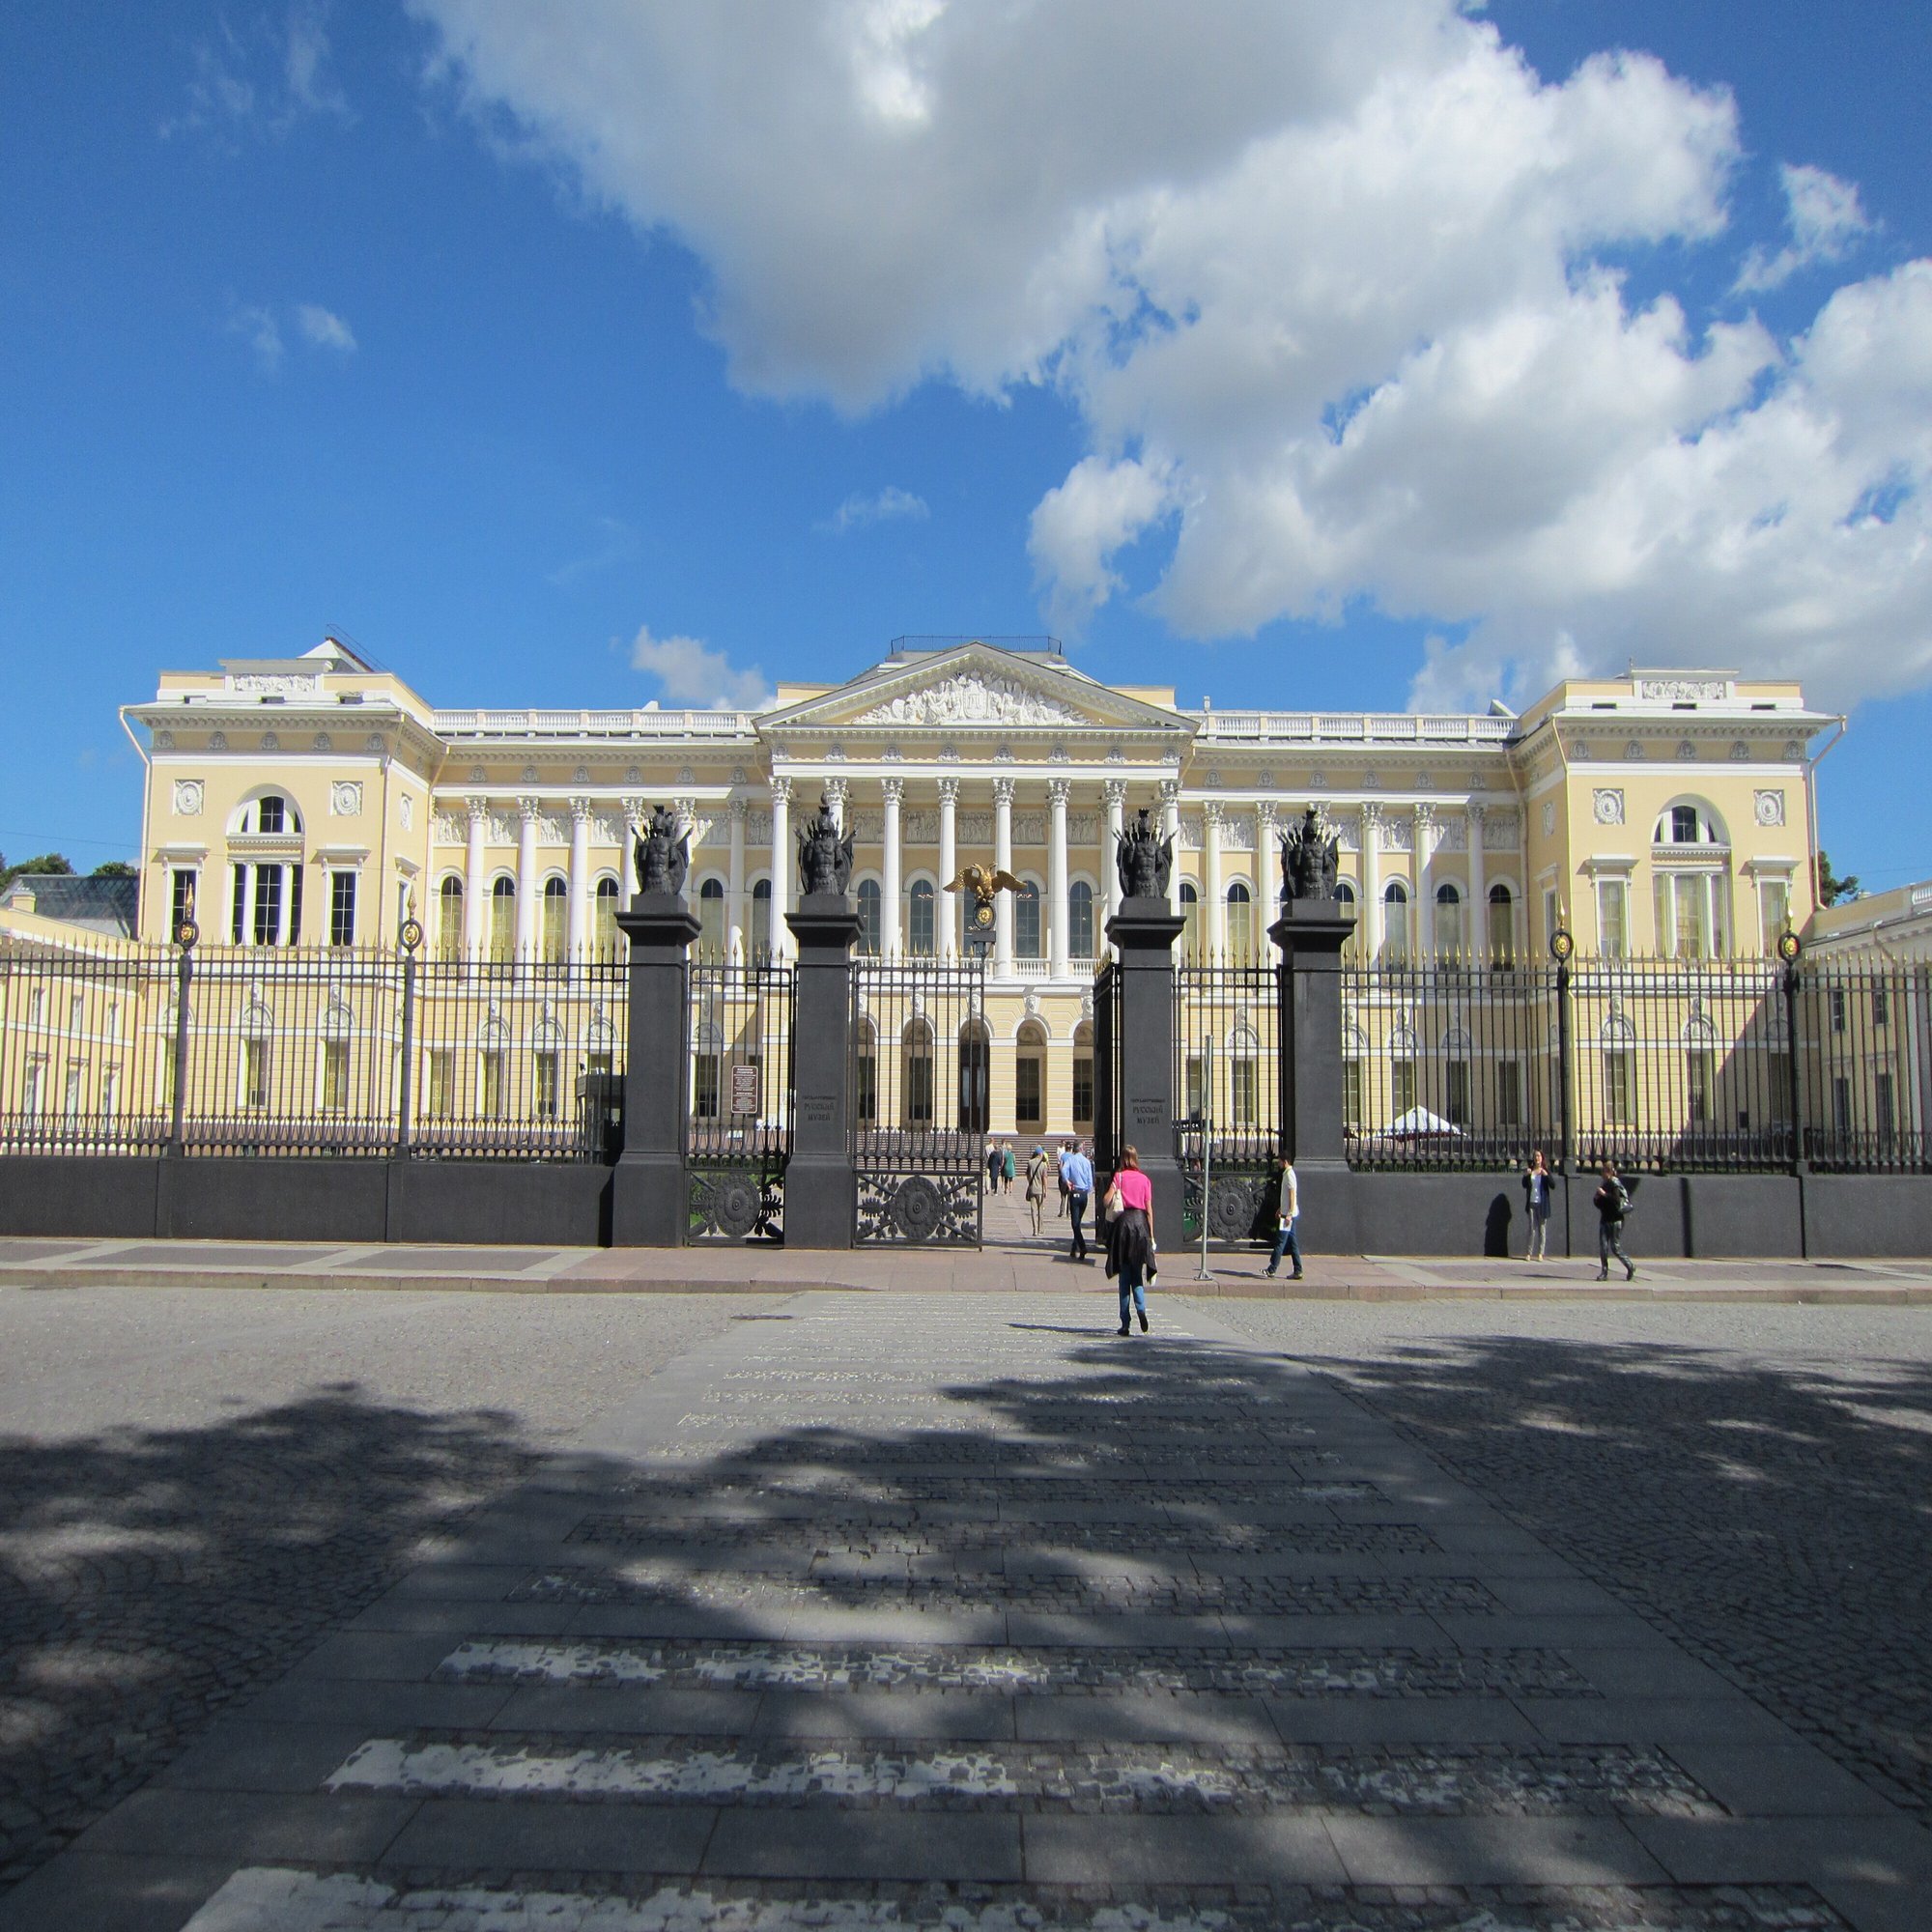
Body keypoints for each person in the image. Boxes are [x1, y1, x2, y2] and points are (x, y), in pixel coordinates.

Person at [1104, 1144, 1157, 1333]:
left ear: (1122, 1159)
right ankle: (1141, 1309)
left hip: (1124, 1227)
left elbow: (1106, 1200)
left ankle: (1125, 1323)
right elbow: (1149, 1210)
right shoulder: (1145, 1179)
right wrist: (1151, 1236)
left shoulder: (1119, 1177)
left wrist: (1116, 1192)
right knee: (1137, 1275)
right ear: (1135, 1159)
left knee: (1124, 1278)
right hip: (1141, 1226)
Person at [1592, 1160, 1635, 1281]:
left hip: (1615, 1220)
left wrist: (1604, 1194)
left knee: (1615, 1247)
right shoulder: (1604, 1184)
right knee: (1603, 1246)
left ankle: (1630, 1266)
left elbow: (1616, 1201)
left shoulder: (1615, 1184)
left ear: (1609, 1172)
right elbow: (1600, 1203)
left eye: (1604, 1171)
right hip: (1605, 1218)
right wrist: (1596, 1199)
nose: (1602, 1173)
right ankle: (1604, 1271)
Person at [1263, 1152, 1303, 1279]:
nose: (1278, 1163)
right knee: (1293, 1243)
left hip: (1288, 1216)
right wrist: (1281, 1208)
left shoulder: (1289, 1175)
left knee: (1280, 1242)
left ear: (1285, 1161)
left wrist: (1289, 1214)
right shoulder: (1287, 1174)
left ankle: (1272, 1269)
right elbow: (1286, 1196)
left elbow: (1292, 1195)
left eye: (1279, 1161)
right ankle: (1298, 1270)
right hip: (1287, 1213)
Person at [1061, 1138, 1094, 1262]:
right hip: (1084, 1194)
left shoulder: (1070, 1160)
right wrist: (1088, 1190)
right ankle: (1074, 1248)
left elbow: (1063, 1170)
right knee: (1077, 1223)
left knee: (1075, 1224)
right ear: (1081, 1148)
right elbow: (1090, 1180)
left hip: (1074, 1193)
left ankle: (1082, 1247)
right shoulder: (1086, 1161)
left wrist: (1068, 1181)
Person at [1520, 1150, 1553, 1262]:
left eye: (1539, 1156)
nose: (1537, 1158)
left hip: (1542, 1203)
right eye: (1535, 1156)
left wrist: (1547, 1176)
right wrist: (1526, 1176)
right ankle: (1529, 1253)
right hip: (1531, 1202)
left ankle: (1540, 1253)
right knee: (1531, 1229)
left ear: (1542, 1158)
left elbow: (1553, 1185)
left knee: (1541, 1229)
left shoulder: (1545, 1171)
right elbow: (1524, 1185)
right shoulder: (1531, 1171)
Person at [1025, 1143, 1052, 1236]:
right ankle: (1041, 1229)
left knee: (1033, 1210)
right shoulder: (1043, 1164)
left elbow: (1027, 1175)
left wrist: (1030, 1183)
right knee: (1040, 1210)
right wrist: (1046, 1189)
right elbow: (1045, 1178)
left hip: (1032, 1189)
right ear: (1040, 1154)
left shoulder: (1030, 1162)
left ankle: (1034, 1230)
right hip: (1040, 1190)